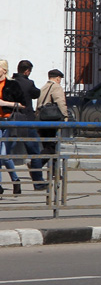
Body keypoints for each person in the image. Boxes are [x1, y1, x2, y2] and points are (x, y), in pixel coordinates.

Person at [2, 60, 45, 189]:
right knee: (34, 152)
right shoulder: (28, 83)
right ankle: (38, 182)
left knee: (5, 151)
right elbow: (36, 93)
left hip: (11, 120)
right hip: (26, 120)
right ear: (27, 71)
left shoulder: (10, 82)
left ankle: (12, 181)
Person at [36, 70, 68, 170]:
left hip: (41, 120)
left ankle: (54, 171)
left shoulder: (43, 87)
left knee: (48, 146)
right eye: (60, 79)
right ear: (57, 78)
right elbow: (60, 102)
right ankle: (36, 164)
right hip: (51, 121)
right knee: (51, 147)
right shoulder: (56, 87)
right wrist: (65, 116)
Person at [0, 60, 20, 195]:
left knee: (4, 156)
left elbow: (22, 104)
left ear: (4, 70)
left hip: (8, 120)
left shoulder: (12, 84)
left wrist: (4, 102)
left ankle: (16, 180)